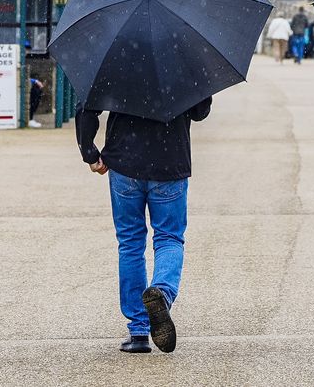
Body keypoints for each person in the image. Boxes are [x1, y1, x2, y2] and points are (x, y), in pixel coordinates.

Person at [77, 97, 213, 354]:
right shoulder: (186, 58)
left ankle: (138, 331)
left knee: (130, 243)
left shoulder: (112, 57)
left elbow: (87, 105)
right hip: (171, 160)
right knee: (169, 238)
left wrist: (89, 152)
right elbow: (199, 111)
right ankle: (161, 292)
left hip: (124, 160)